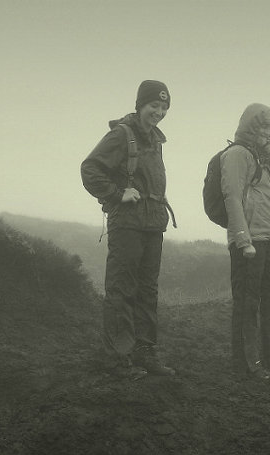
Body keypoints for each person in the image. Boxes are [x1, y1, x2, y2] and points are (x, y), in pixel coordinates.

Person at [80, 79, 177, 379]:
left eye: (163, 107)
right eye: (153, 106)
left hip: (152, 223)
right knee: (122, 289)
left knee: (147, 290)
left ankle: (144, 352)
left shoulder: (155, 139)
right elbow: (90, 169)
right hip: (127, 224)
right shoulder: (122, 135)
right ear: (140, 105)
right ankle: (117, 359)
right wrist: (116, 193)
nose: (158, 112)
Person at [222, 103, 270, 379]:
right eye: (263, 127)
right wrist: (242, 239)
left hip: (268, 239)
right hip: (248, 241)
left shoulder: (263, 158)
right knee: (247, 303)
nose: (267, 133)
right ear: (250, 126)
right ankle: (246, 366)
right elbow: (232, 196)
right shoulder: (237, 154)